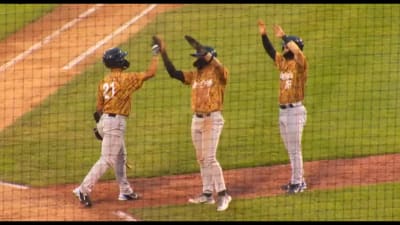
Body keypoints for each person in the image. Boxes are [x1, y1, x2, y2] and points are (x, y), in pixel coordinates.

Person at [72, 41, 160, 207]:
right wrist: (156, 54)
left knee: (120, 157)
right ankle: (83, 189)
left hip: (105, 121)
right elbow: (151, 72)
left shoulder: (104, 81)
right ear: (119, 62)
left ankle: (125, 191)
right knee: (107, 160)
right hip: (116, 123)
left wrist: (101, 128)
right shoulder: (126, 79)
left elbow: (98, 109)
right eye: (122, 57)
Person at [153, 35, 232, 211]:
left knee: (210, 158)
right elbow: (173, 73)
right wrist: (164, 52)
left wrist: (201, 48)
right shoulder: (195, 75)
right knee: (202, 159)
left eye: (198, 57)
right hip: (196, 120)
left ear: (207, 58)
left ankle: (223, 194)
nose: (195, 60)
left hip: (212, 119)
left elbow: (217, 64)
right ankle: (206, 194)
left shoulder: (219, 74)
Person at [257, 19, 308, 194]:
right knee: (290, 149)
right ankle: (297, 180)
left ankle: (298, 183)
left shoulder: (300, 63)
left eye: (285, 46)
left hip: (295, 111)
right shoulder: (283, 64)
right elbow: (270, 51)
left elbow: (297, 51)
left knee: (295, 149)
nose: (283, 48)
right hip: (283, 112)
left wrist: (285, 37)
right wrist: (264, 34)